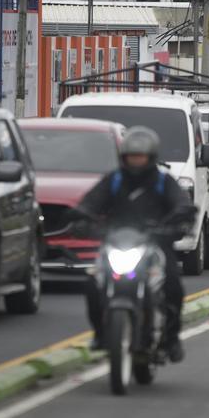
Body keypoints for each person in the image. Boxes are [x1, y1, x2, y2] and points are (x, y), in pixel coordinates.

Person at [70, 127, 195, 362]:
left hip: (153, 244)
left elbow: (180, 204)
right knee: (92, 283)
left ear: (151, 157)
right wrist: (81, 217)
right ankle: (100, 333)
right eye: (132, 157)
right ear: (124, 157)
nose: (136, 162)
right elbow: (91, 202)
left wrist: (180, 219)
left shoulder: (162, 181)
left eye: (141, 157)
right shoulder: (114, 180)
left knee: (173, 284)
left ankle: (171, 338)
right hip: (116, 243)